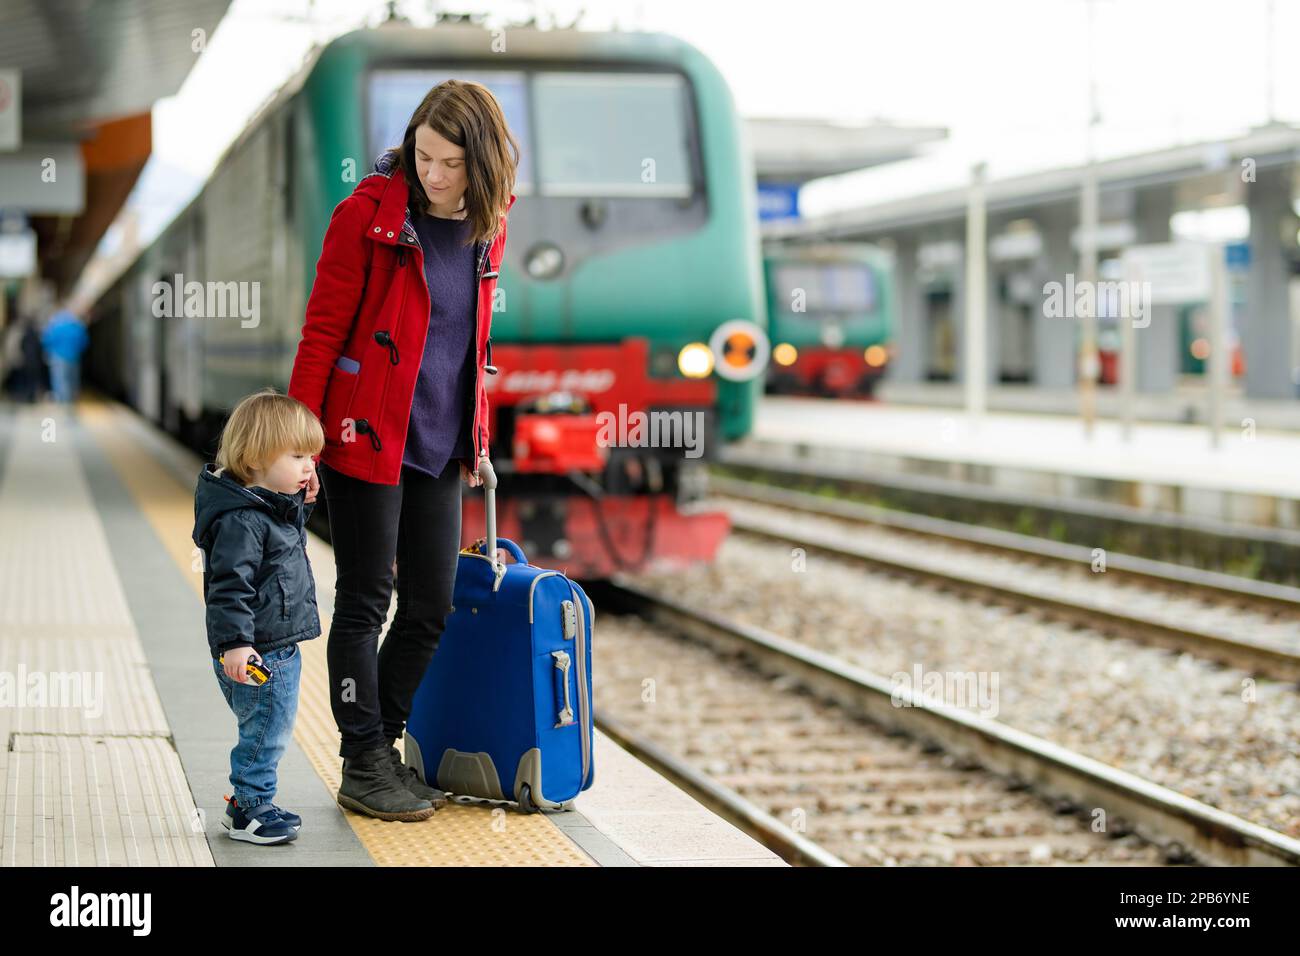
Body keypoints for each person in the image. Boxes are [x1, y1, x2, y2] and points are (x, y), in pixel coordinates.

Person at [288, 79, 518, 821]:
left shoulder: (489, 225)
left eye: (451, 163)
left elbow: (471, 339)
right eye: (424, 156)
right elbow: (322, 330)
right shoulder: (368, 215)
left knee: (432, 603)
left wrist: (478, 432)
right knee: (365, 600)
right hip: (364, 434)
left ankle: (379, 747)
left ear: (482, 166)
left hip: (440, 442)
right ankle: (361, 761)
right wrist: (299, 437)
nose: (435, 175)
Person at [192, 388, 324, 844]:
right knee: (266, 733)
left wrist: (301, 504)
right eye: (298, 456)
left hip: (271, 645)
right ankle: (249, 807)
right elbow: (230, 588)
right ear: (256, 458)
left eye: (312, 456)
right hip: (257, 651)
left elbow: (279, 551)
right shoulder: (242, 522)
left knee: (267, 729)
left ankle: (252, 801)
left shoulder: (261, 507)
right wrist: (235, 644)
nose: (309, 465)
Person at [41, 307, 89, 403]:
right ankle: (72, 400)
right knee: (72, 380)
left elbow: (46, 341)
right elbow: (84, 342)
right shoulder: (77, 327)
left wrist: (50, 351)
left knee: (60, 380)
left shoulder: (55, 327)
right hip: (75, 357)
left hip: (58, 357)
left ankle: (63, 401)